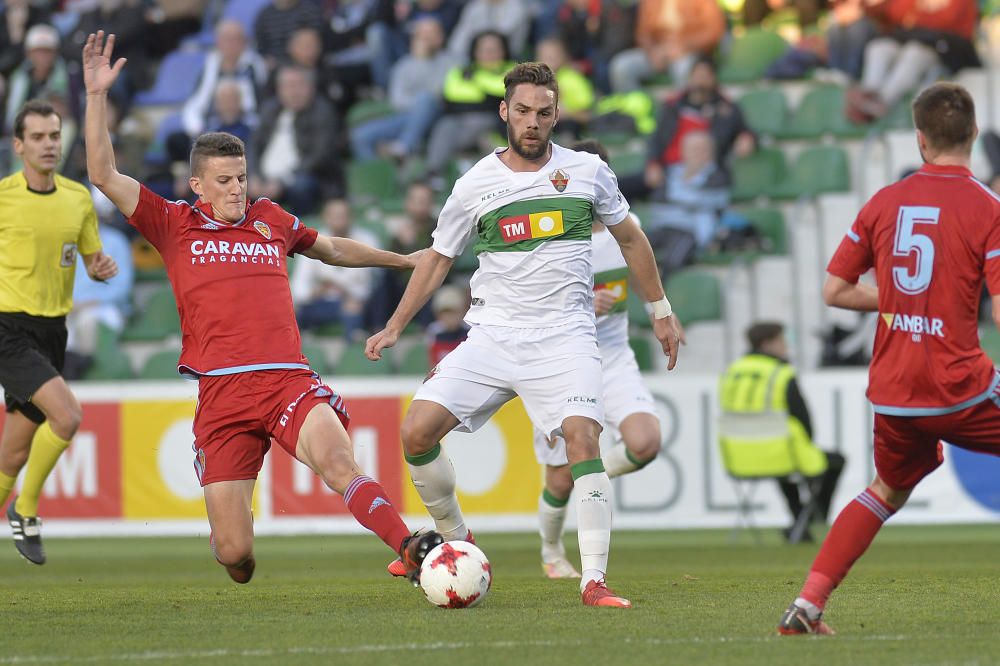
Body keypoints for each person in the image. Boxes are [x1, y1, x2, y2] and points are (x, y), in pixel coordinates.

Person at [82, 31, 442, 585]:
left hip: (285, 379)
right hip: (221, 393)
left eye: (242, 179)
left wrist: (402, 260)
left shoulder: (270, 218)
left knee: (340, 464)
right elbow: (104, 175)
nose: (235, 190)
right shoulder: (174, 223)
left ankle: (410, 547)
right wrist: (97, 96)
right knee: (236, 557)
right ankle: (233, 539)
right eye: (223, 182)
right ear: (197, 185)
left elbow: (334, 249)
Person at [366, 62, 682, 608]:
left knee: (583, 438)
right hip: (493, 336)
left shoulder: (587, 172)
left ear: (557, 114)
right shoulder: (474, 185)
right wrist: (396, 325)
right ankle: (458, 543)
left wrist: (660, 309)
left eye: (543, 112)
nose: (532, 122)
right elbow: (439, 259)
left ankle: (593, 581)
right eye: (522, 111)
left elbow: (632, 240)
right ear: (504, 112)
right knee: (416, 432)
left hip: (565, 337)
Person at [778, 82, 1000, 635]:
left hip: (895, 393)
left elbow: (834, 289)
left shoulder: (884, 202)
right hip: (959, 386)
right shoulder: (988, 208)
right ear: (973, 133)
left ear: (920, 140)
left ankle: (807, 605)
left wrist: (903, 298)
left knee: (885, 490)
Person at [533, 139, 668, 579]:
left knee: (645, 442)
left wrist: (665, 312)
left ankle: (586, 474)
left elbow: (647, 271)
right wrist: (583, 308)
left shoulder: (626, 229)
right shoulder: (549, 236)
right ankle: (552, 553)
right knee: (555, 479)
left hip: (611, 357)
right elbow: (528, 305)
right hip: (561, 361)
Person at [0, 99, 119, 565]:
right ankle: (26, 509)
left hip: (53, 330)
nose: (49, 145)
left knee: (12, 457)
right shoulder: (4, 197)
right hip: (8, 327)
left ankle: (17, 497)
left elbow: (91, 259)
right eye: (38, 137)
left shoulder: (77, 197)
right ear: (19, 145)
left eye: (54, 136)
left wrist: (102, 267)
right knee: (67, 416)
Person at [720, 322, 845, 544]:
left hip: (738, 457)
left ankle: (799, 522)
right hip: (779, 452)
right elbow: (802, 418)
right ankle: (810, 518)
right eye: (782, 341)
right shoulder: (781, 373)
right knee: (831, 461)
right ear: (767, 344)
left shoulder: (732, 372)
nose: (786, 346)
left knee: (784, 467)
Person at [290, 198, 380, 340]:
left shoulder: (366, 241)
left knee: (353, 308)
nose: (339, 220)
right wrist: (316, 292)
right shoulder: (312, 242)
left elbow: (368, 285)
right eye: (335, 216)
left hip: (356, 302)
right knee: (291, 310)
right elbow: (299, 285)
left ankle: (353, 351)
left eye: (343, 215)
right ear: (325, 217)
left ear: (351, 217)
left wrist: (342, 289)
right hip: (320, 301)